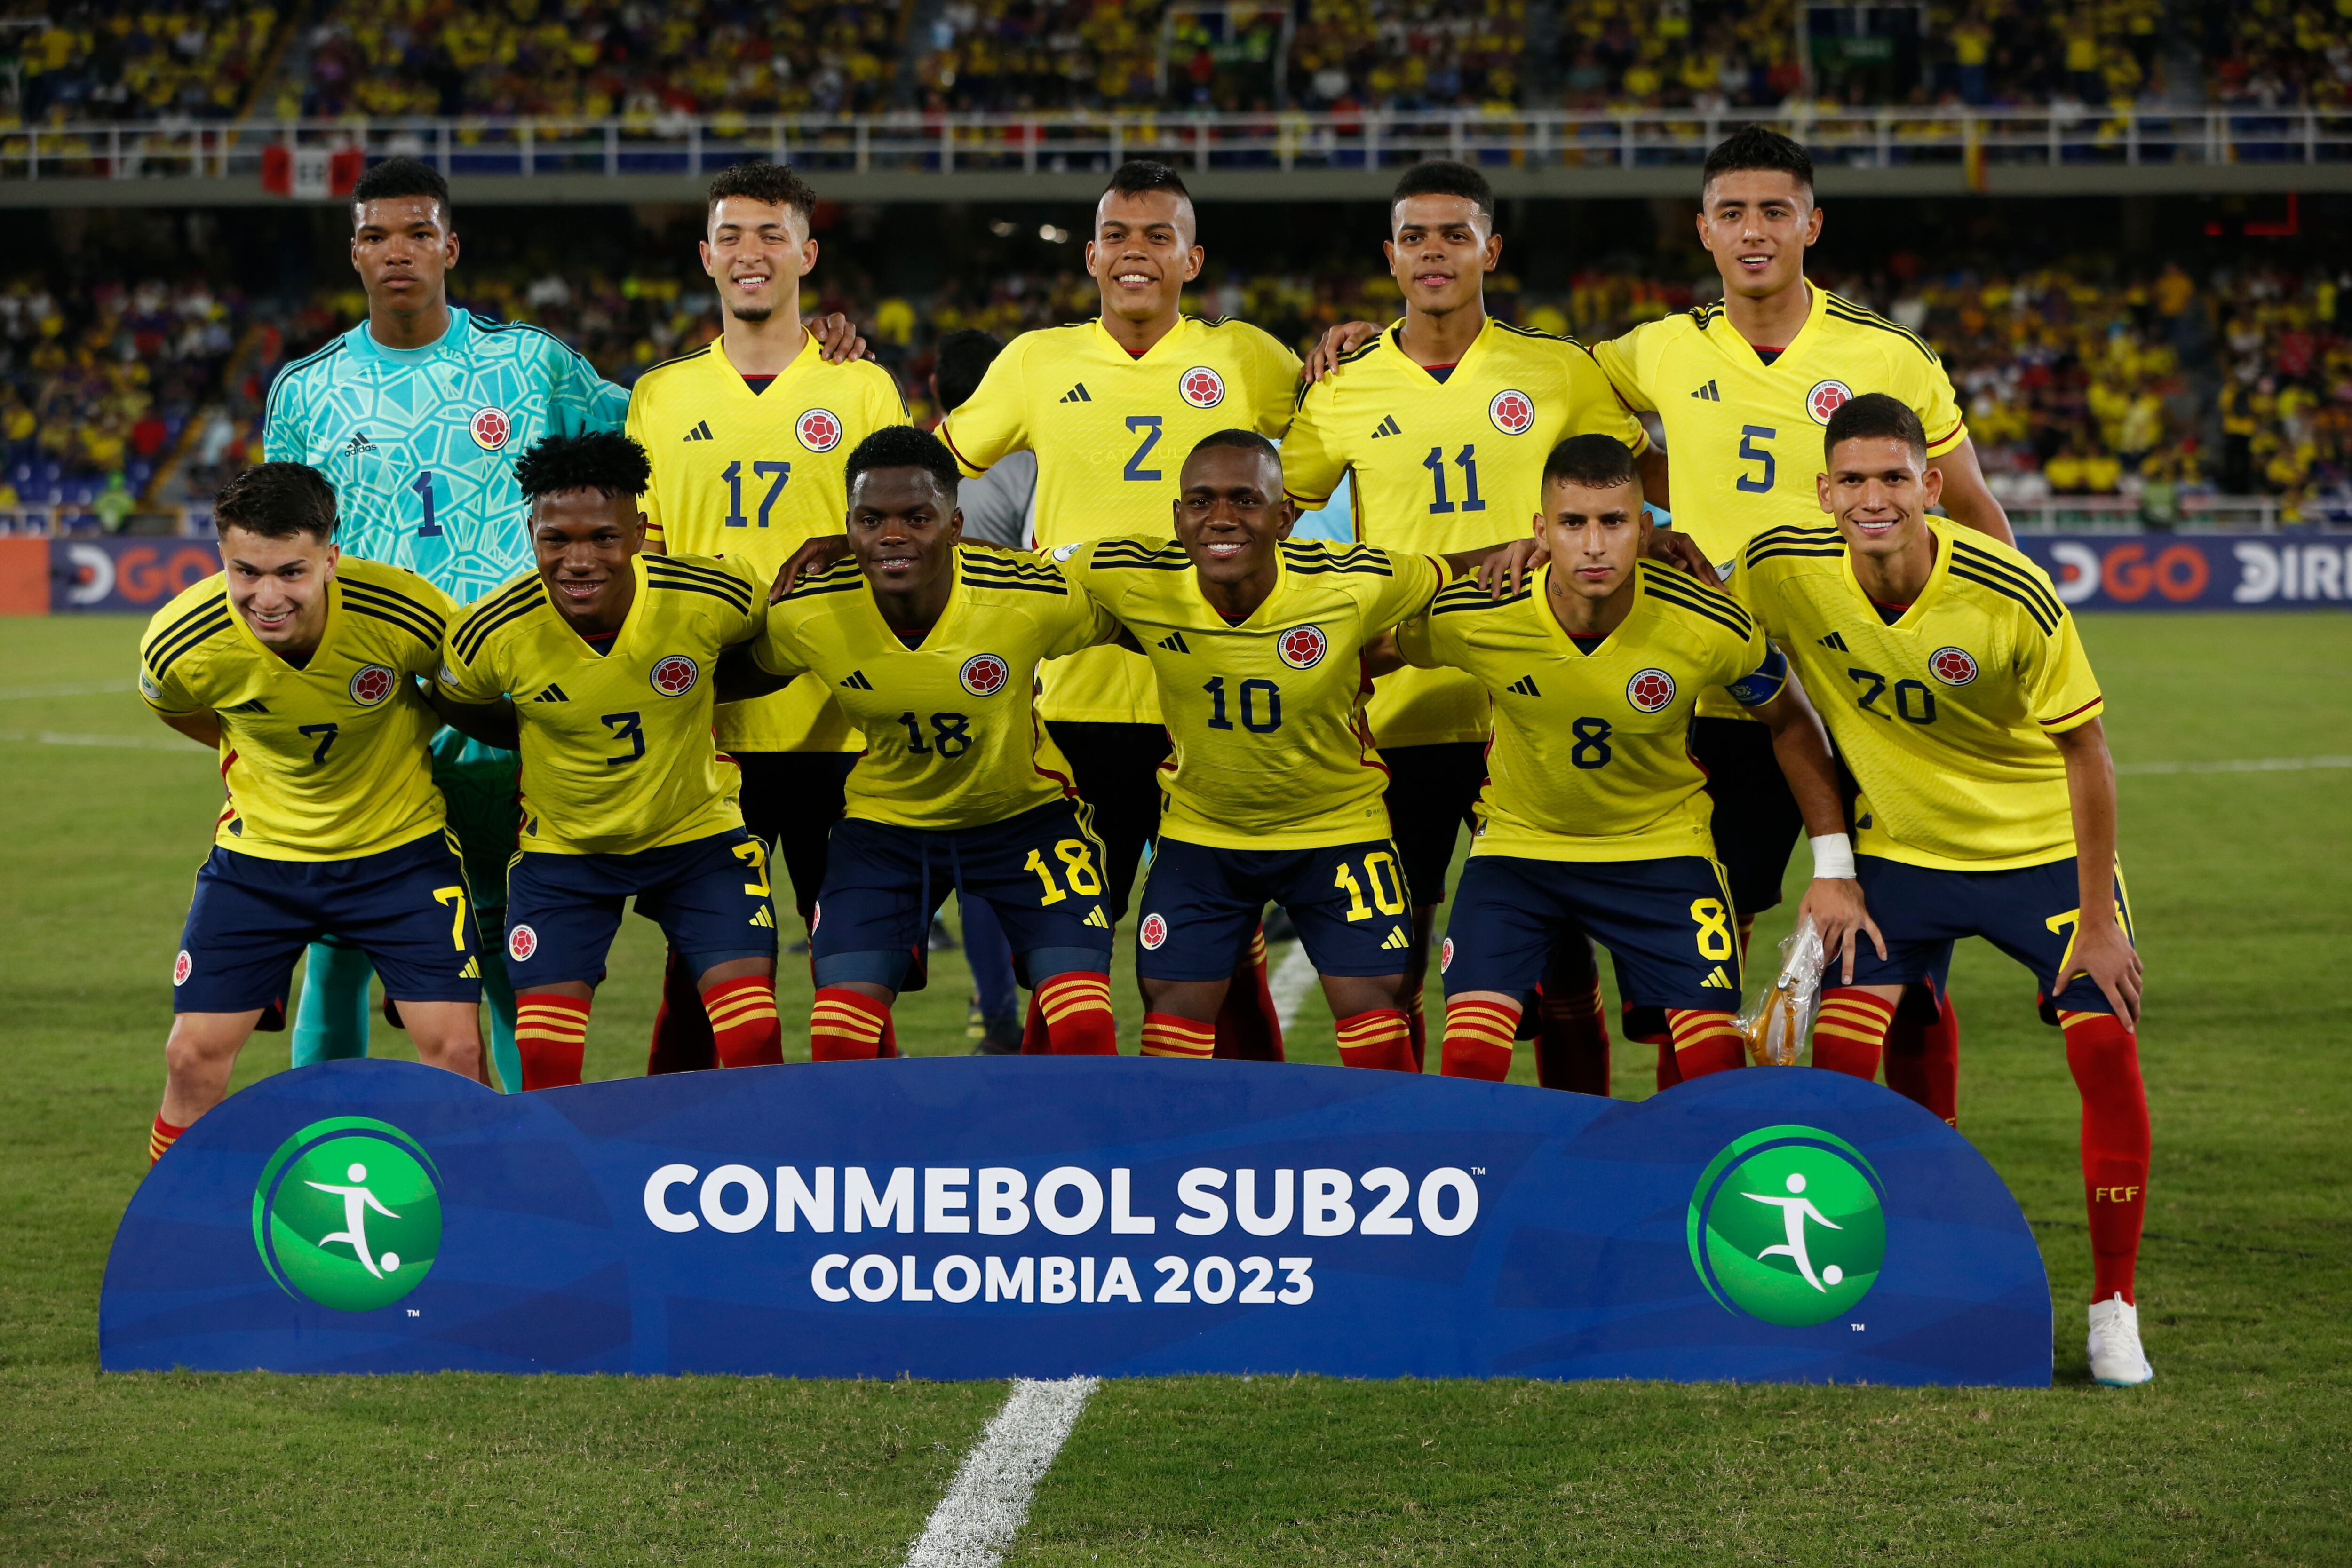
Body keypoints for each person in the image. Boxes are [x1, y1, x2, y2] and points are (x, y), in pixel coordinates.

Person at [263, 155, 863, 1093]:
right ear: (353, 251)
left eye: (419, 233)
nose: (399, 252)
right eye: (378, 234)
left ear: (450, 246)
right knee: (339, 943)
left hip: (512, 697)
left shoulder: (529, 364)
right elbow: (279, 553)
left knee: (511, 939)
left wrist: (812, 352)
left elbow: (667, 431)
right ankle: (316, 1141)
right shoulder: (306, 389)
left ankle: (525, 1145)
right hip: (370, 702)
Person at [1587, 126, 2015, 1103]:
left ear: (1810, 224)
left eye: (1774, 211)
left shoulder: (1883, 353)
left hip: (1867, 701)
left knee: (1897, 958)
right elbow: (1529, 391)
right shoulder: (1658, 349)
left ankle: (1914, 1170)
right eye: (1731, 212)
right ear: (1702, 229)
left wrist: (2005, 645)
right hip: (1719, 701)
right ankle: (1691, 1152)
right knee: (1695, 956)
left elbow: (1973, 505)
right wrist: (1661, 512)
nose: (1752, 230)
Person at [1736, 394, 2151, 1387]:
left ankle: (2113, 1306)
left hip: (2037, 850)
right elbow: (1758, 682)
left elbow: (2087, 753)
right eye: (1853, 480)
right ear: (1824, 491)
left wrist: (2097, 921)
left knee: (2103, 1043)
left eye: (1893, 478)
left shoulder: (2009, 592)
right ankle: (1901, 1268)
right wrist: (1830, 867)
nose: (1872, 499)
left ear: (1930, 486)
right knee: (1840, 1053)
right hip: (1901, 855)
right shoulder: (1777, 569)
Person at [1279, 158, 1662, 1089]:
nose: (1435, 251)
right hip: (1394, 708)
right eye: (1416, 235)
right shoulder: (1340, 387)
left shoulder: (1559, 371)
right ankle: (1413, 1155)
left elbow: (1631, 498)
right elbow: (1275, 518)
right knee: (1389, 957)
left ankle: (1581, 1149)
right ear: (1391, 255)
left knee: (1564, 962)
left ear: (1491, 248)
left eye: (1456, 234)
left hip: (1531, 709)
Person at [938, 159, 1301, 1061]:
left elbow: (1348, 417)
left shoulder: (1246, 357)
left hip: (1212, 690)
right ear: (1092, 258)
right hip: (1079, 696)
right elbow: (933, 462)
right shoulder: (1035, 361)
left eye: (1157, 236)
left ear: (1192, 258)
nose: (1135, 252)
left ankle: (1251, 1121)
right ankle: (1048, 1128)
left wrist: (1345, 347)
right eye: (1117, 236)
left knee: (1227, 926)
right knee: (1074, 934)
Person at [1377, 434, 1874, 1084]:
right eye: (1573, 523)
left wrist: (1834, 864)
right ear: (1539, 531)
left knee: (1712, 1064)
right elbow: (1364, 655)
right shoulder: (1481, 611)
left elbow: (1791, 718)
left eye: (1612, 522)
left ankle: (1688, 1186)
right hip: (1519, 857)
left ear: (1643, 528)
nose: (1592, 544)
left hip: (1662, 855)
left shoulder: (1706, 622)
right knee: (1469, 1056)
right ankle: (1492, 1186)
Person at [1055, 430, 1508, 1069]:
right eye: (1201, 501)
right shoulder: (1128, 573)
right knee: (1170, 1029)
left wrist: (1537, 547)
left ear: (1284, 516)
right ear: (1178, 516)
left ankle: (1399, 1161)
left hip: (1337, 829)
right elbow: (1010, 578)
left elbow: (1458, 569)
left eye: (1245, 499)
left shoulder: (1355, 580)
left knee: (1378, 1016)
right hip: (1204, 836)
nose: (1220, 518)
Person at [626, 160, 907, 1077]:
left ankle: (868, 1158)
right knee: (698, 969)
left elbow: (903, 547)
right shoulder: (662, 396)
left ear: (807, 252)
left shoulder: (863, 389)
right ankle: (677, 1157)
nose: (752, 253)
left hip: (846, 724)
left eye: (771, 234)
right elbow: (648, 564)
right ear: (706, 255)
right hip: (709, 732)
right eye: (734, 236)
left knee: (856, 969)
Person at [724, 426, 1124, 1059]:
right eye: (871, 519)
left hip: (1023, 819)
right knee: (837, 1036)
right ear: (848, 527)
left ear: (955, 523)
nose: (892, 534)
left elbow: (1140, 619)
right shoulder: (810, 611)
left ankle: (1071, 1152)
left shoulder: (1026, 596)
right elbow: (724, 674)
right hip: (887, 831)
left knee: (1082, 1025)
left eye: (917, 517)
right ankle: (875, 1155)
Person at [138, 463, 481, 1164]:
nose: (267, 596)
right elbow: (177, 708)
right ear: (222, 560)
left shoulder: (404, 614)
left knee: (458, 1051)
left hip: (401, 853)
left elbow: (465, 694)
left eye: (291, 572)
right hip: (259, 862)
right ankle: (176, 1245)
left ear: (330, 556)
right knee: (192, 1056)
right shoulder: (182, 642)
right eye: (247, 572)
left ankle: (480, 1235)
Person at [434, 433, 780, 1088]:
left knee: (754, 1030)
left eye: (602, 537)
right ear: (530, 531)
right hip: (565, 856)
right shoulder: (491, 631)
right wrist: (535, 726)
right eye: (556, 539)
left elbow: (772, 643)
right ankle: (564, 1185)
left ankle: (756, 1170)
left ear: (641, 530)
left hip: (697, 840)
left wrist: (703, 688)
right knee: (544, 1059)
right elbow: (458, 700)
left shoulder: (714, 593)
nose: (578, 560)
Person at [928, 326, 1033, 1051]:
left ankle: (991, 1002)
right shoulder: (1033, 458)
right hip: (1030, 683)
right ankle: (1021, 1000)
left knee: (964, 860)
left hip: (934, 683)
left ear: (937, 394)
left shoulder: (920, 468)